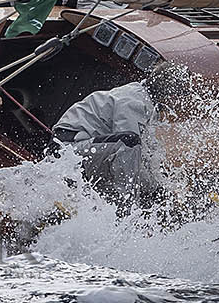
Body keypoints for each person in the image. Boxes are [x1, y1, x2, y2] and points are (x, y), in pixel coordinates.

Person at [51, 64, 191, 209]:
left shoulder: (145, 102)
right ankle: (127, 211)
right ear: (172, 95)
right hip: (67, 151)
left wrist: (158, 189)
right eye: (180, 98)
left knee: (134, 154)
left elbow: (148, 157)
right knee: (129, 142)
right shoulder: (133, 102)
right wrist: (151, 194)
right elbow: (129, 151)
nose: (179, 105)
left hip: (86, 150)